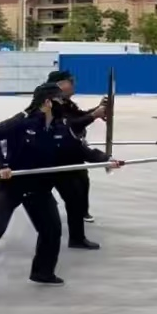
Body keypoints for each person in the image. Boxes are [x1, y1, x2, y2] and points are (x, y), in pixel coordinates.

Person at [0, 83, 124, 296]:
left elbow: (80, 150)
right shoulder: (22, 121)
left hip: (39, 187)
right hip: (11, 185)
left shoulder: (60, 126)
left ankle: (43, 272)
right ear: (47, 102)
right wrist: (1, 166)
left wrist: (107, 160)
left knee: (51, 229)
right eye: (59, 100)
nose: (63, 103)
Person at [47, 70, 107, 241]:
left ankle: (81, 220)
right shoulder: (52, 105)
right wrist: (93, 115)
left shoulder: (66, 103)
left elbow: (79, 116)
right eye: (70, 81)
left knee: (81, 183)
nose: (74, 84)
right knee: (69, 193)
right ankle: (77, 237)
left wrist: (97, 110)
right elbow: (71, 125)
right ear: (59, 85)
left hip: (69, 151)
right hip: (56, 156)